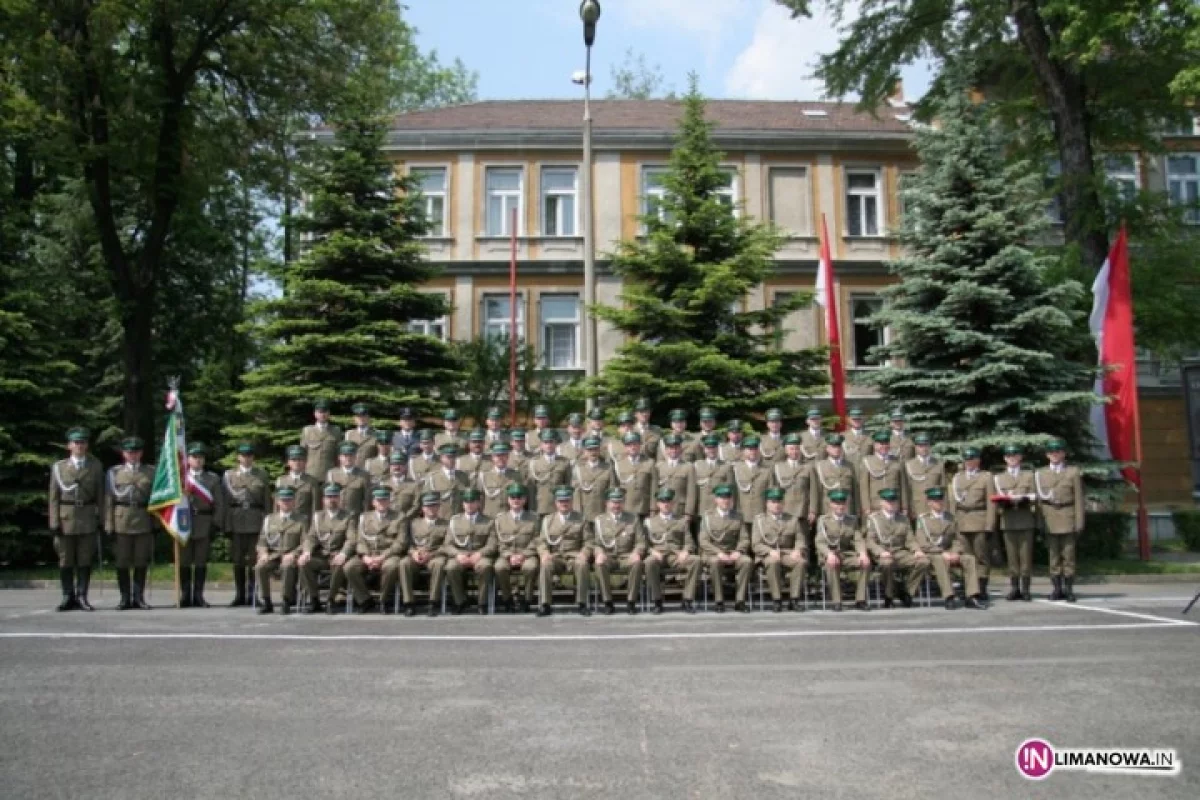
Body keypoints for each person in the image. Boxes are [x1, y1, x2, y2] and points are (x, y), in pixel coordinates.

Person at [48, 427, 105, 612]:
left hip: (87, 517)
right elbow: (54, 497)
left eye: (82, 442)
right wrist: (54, 521)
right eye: (76, 443)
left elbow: (101, 496)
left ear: (87, 445)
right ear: (69, 445)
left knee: (84, 559)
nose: (79, 446)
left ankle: (82, 596)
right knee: (65, 560)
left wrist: (103, 520)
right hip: (66, 517)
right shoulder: (59, 467)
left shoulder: (95, 466)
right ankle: (67, 596)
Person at [912, 487, 989, 610]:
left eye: (941, 500)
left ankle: (972, 596)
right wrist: (943, 553)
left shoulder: (950, 518)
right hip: (932, 553)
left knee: (969, 559)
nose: (939, 503)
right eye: (936, 501)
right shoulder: (923, 520)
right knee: (940, 560)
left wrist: (955, 552)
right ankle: (949, 596)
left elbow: (957, 539)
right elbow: (923, 543)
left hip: (949, 551)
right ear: (929, 503)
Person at [106, 436, 157, 610]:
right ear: (123, 453)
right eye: (129, 452)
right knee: (122, 561)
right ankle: (124, 598)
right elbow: (108, 500)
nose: (133, 455)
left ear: (141, 453)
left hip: (143, 518)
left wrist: (156, 522)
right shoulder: (114, 473)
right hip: (121, 519)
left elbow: (156, 499)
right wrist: (108, 524)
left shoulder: (150, 472)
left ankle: (138, 597)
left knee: (141, 560)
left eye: (136, 452)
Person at [223, 442, 272, 608]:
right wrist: (227, 525)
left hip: (255, 521)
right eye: (243, 455)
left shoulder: (261, 475)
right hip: (236, 521)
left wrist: (267, 524)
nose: (247, 458)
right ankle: (239, 594)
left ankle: (253, 594)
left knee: (253, 560)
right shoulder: (229, 475)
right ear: (238, 457)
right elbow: (225, 503)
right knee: (237, 560)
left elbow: (267, 501)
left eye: (249, 455)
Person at [1036, 439, 1085, 602]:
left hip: (1067, 515)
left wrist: (1079, 521)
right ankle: (1057, 589)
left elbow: (1078, 498)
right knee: (1053, 555)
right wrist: (1040, 522)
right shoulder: (1041, 474)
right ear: (1047, 455)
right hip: (1050, 517)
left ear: (1063, 454)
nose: (1055, 455)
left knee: (1068, 555)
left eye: (1058, 452)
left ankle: (1069, 589)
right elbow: (1039, 502)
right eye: (1051, 452)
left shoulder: (1072, 472)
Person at [345, 487, 407, 614]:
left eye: (385, 500)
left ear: (389, 501)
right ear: (373, 503)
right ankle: (365, 599)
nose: (382, 503)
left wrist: (382, 557)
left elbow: (400, 542)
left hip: (388, 554)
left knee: (391, 567)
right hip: (368, 553)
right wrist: (365, 557)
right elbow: (360, 540)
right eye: (379, 501)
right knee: (349, 567)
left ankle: (383, 600)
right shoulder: (364, 517)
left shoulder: (399, 517)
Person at [298, 483, 355, 614]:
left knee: (338, 564)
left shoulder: (348, 516)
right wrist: (307, 551)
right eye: (329, 497)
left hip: (338, 555)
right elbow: (311, 537)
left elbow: (351, 539)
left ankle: (331, 599)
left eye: (335, 496)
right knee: (304, 564)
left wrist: (343, 554)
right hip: (322, 556)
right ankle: (314, 599)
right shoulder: (318, 517)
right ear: (323, 500)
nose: (332, 500)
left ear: (339, 499)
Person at [865, 488, 927, 608]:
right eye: (888, 502)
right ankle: (889, 596)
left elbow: (910, 539)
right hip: (883, 553)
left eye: (894, 502)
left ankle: (907, 591)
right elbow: (870, 541)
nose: (891, 504)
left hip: (900, 552)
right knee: (887, 564)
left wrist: (917, 550)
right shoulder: (874, 519)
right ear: (881, 503)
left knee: (923, 561)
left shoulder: (903, 519)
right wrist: (880, 552)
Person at [180, 443, 223, 608]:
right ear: (188, 459)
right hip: (183, 522)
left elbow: (219, 504)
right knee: (184, 561)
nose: (197, 460)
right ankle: (185, 595)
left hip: (204, 522)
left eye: (200, 457)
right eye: (194, 457)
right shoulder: (180, 478)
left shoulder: (212, 478)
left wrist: (215, 524)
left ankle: (198, 595)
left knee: (200, 561)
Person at [536, 486, 591, 617]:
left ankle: (582, 603)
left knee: (583, 565)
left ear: (572, 501)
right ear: (556, 503)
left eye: (567, 500)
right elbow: (541, 541)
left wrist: (584, 553)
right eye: (561, 501)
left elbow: (589, 541)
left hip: (574, 556)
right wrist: (544, 553)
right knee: (545, 565)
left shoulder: (581, 519)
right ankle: (545, 604)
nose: (564, 504)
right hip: (556, 557)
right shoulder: (548, 520)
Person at [991, 444, 1036, 602]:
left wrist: (1024, 498)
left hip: (1025, 520)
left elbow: (1034, 495)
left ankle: (1025, 589)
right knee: (1012, 557)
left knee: (1025, 556)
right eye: (1009, 456)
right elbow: (995, 498)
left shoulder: (1029, 476)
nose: (1012, 459)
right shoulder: (998, 478)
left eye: (1015, 455)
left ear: (1020, 458)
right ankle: (1014, 588)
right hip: (1008, 520)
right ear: (1005, 459)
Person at [644, 488, 700, 614]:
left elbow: (689, 541)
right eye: (662, 501)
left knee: (695, 560)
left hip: (676, 556)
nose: (666, 504)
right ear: (658, 504)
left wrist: (686, 551)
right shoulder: (650, 522)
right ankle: (657, 600)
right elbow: (644, 543)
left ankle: (687, 599)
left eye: (668, 501)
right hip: (658, 555)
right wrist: (652, 551)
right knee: (649, 562)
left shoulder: (681, 521)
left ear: (673, 503)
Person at [590, 488, 645, 615]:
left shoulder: (633, 519)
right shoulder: (599, 520)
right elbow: (595, 543)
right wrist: (599, 553)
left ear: (623, 503)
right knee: (599, 564)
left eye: (619, 502)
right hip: (608, 556)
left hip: (627, 556)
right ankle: (607, 602)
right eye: (613, 502)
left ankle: (631, 602)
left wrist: (637, 552)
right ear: (607, 503)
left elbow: (641, 541)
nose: (616, 505)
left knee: (637, 564)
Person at [254, 487, 308, 614]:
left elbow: (305, 542)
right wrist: (263, 553)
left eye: (289, 500)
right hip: (273, 555)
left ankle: (286, 600)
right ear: (278, 502)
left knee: (287, 567)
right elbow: (262, 540)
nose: (286, 503)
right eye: (283, 500)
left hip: (290, 555)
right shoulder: (269, 519)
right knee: (259, 567)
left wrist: (294, 554)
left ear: (294, 502)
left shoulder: (301, 519)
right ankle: (266, 601)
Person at [949, 446, 994, 602]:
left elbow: (991, 502)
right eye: (966, 459)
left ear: (978, 461)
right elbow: (953, 503)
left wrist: (990, 524)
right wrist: (953, 523)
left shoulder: (986, 477)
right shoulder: (957, 478)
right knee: (966, 557)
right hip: (962, 521)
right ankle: (969, 587)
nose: (969, 462)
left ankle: (981, 587)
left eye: (972, 459)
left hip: (979, 519)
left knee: (981, 556)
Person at [698, 484, 752, 612]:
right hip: (713, 553)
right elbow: (703, 541)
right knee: (715, 562)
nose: (725, 501)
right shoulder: (707, 517)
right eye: (722, 498)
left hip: (733, 552)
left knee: (747, 561)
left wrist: (738, 551)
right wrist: (719, 553)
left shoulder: (738, 516)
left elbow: (744, 538)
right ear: (716, 500)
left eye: (728, 498)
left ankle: (740, 600)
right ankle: (719, 600)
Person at [752, 487, 807, 612]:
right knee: (772, 562)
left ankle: (794, 599)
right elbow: (756, 544)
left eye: (779, 502)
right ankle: (777, 599)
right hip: (768, 554)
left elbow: (800, 539)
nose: (776, 505)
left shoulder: (792, 519)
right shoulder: (759, 521)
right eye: (773, 502)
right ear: (767, 504)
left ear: (783, 503)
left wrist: (797, 550)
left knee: (801, 562)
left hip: (787, 553)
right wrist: (769, 551)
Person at [442, 488, 496, 614]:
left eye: (473, 501)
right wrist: (458, 555)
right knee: (451, 567)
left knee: (485, 566)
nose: (469, 505)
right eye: (466, 501)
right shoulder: (455, 521)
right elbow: (447, 544)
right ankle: (460, 601)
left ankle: (482, 602)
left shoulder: (488, 521)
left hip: (480, 555)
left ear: (478, 503)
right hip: (460, 555)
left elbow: (492, 544)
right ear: (463, 504)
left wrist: (480, 554)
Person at [814, 489, 869, 611]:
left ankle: (860, 599)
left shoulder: (852, 520)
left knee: (865, 563)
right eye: (837, 503)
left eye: (842, 503)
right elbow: (820, 542)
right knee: (831, 564)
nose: (840, 506)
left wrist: (862, 553)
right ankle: (836, 601)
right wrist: (829, 554)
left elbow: (858, 539)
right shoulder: (823, 520)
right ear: (831, 504)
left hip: (845, 554)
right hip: (829, 554)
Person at [493, 483, 540, 613]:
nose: (516, 500)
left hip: (527, 554)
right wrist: (509, 555)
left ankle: (527, 599)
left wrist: (523, 555)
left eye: (519, 497)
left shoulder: (534, 518)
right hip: (506, 554)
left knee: (530, 567)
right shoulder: (500, 519)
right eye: (513, 497)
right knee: (499, 567)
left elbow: (536, 539)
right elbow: (498, 541)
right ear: (508, 500)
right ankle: (507, 599)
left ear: (525, 500)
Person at [401, 493, 449, 616]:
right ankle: (408, 603)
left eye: (434, 506)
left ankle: (433, 602)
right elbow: (408, 543)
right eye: (428, 506)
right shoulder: (414, 523)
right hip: (417, 555)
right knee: (404, 563)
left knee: (438, 564)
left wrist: (431, 554)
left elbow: (446, 545)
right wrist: (414, 553)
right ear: (422, 508)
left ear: (439, 507)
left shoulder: (446, 524)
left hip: (435, 555)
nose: (431, 509)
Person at [808, 434, 859, 523]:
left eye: (838, 446)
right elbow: (815, 491)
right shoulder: (820, 466)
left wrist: (857, 509)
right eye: (833, 447)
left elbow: (855, 489)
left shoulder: (850, 466)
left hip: (847, 508)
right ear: (827, 449)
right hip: (827, 508)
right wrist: (814, 510)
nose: (836, 449)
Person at [858, 431, 907, 516]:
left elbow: (903, 486)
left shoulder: (897, 462)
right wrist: (866, 507)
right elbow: (864, 487)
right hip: (875, 506)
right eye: (881, 444)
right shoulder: (867, 462)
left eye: (886, 444)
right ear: (875, 445)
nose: (884, 446)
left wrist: (904, 507)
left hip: (894, 505)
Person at [731, 436, 772, 532]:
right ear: (743, 451)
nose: (753, 452)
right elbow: (733, 493)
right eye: (749, 449)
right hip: (741, 513)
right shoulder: (736, 469)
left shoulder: (767, 470)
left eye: (755, 449)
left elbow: (770, 493)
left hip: (761, 513)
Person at [527, 430, 571, 516]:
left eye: (551, 442)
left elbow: (568, 485)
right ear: (541, 445)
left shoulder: (564, 462)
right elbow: (531, 489)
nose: (549, 445)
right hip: (540, 506)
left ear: (556, 444)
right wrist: (531, 508)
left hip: (559, 506)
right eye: (546, 442)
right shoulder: (534, 463)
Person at [612, 432, 655, 518]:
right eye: (629, 445)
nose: (633, 447)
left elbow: (654, 488)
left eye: (635, 444)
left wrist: (653, 508)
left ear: (640, 445)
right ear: (625, 447)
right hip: (625, 507)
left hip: (644, 507)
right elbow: (614, 487)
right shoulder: (618, 464)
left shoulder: (650, 463)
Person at [423, 443, 470, 521]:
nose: (451, 460)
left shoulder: (463, 476)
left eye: (453, 457)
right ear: (441, 458)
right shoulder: (433, 478)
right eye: (448, 457)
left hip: (459, 519)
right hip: (440, 520)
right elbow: (426, 501)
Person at [656, 434, 696, 523]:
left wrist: (688, 512)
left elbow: (691, 492)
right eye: (670, 448)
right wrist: (655, 510)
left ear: (680, 449)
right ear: (666, 450)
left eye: (676, 448)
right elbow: (655, 490)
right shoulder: (659, 467)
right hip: (663, 510)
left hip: (680, 509)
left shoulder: (688, 467)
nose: (673, 450)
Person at [572, 437, 614, 521]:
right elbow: (576, 494)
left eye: (595, 449)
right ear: (585, 451)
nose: (593, 452)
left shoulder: (608, 468)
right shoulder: (578, 469)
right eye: (589, 450)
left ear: (599, 450)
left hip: (602, 512)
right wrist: (577, 513)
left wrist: (610, 513)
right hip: (584, 513)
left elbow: (612, 492)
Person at [904, 433, 945, 519]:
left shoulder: (938, 464)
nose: (924, 448)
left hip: (935, 508)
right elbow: (907, 490)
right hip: (917, 508)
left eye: (926, 445)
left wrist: (945, 509)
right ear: (915, 447)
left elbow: (943, 489)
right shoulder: (909, 465)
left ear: (930, 446)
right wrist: (908, 508)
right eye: (920, 446)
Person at [478, 443, 524, 518]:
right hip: (489, 517)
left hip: (508, 518)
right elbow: (480, 500)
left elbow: (521, 498)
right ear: (492, 457)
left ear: (508, 457)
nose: (501, 458)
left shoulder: (516, 475)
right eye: (497, 456)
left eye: (503, 455)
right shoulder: (484, 476)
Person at [300, 399, 342, 481]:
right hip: (311, 474)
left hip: (330, 474)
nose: (322, 415)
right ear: (315, 414)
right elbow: (302, 454)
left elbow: (339, 454)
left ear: (329, 413)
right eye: (320, 412)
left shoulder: (335, 431)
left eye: (325, 412)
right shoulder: (308, 431)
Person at [692, 434, 731, 519]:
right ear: (704, 450)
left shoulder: (726, 466)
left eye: (714, 448)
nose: (711, 450)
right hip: (701, 509)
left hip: (720, 509)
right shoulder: (697, 465)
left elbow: (731, 490)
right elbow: (693, 490)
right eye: (709, 448)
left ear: (718, 449)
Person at [277, 445, 320, 518]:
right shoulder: (281, 481)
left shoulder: (312, 481)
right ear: (288, 462)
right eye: (294, 460)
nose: (297, 462)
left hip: (304, 522)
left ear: (305, 462)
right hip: (285, 523)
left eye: (300, 460)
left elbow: (315, 507)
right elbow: (277, 506)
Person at [380, 452, 421, 521]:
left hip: (407, 522)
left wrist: (404, 517)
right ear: (390, 467)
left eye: (400, 464)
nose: (397, 467)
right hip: (387, 521)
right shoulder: (383, 484)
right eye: (394, 465)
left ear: (405, 466)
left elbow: (416, 506)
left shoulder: (414, 485)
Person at [344, 402, 380, 468]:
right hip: (353, 473)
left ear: (369, 417)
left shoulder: (376, 434)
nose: (361, 418)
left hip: (369, 473)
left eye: (364, 415)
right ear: (354, 418)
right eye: (358, 416)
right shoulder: (349, 434)